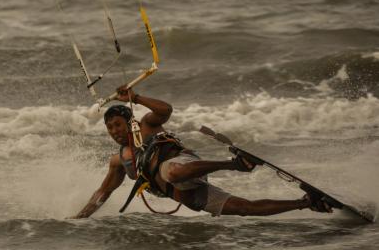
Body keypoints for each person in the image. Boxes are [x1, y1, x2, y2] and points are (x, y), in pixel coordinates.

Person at [73, 85, 332, 219]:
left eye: (117, 125)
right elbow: (102, 193)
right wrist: (78, 219)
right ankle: (308, 203)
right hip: (185, 193)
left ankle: (235, 164)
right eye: (109, 128)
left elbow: (166, 110)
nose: (114, 131)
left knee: (171, 171)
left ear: (128, 121)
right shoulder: (119, 161)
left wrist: (136, 97)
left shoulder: (147, 125)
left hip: (182, 164)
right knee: (244, 208)